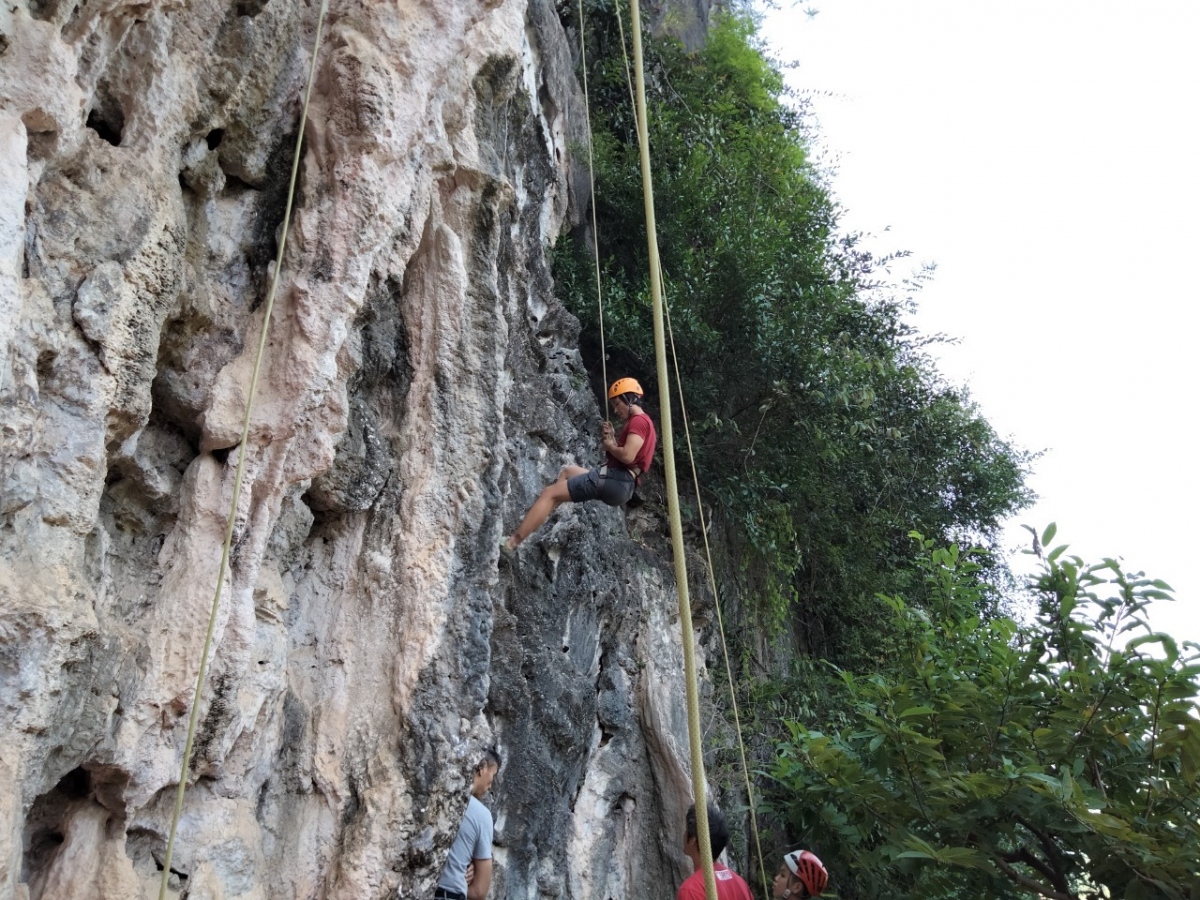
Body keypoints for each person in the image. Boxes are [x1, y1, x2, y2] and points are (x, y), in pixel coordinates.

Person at [504, 377, 656, 551]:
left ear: (629, 399)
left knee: (549, 493)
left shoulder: (639, 421)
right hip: (619, 482)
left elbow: (628, 456)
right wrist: (612, 439)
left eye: (616, 403)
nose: (615, 409)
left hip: (617, 480)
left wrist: (609, 446)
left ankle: (511, 544)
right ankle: (540, 517)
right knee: (568, 472)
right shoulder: (642, 423)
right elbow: (629, 456)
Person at [434, 749, 500, 900]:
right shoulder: (481, 815)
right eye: (493, 774)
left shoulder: (438, 797)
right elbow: (479, 891)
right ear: (482, 768)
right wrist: (460, 884)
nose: (491, 785)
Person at [677, 803, 753, 900]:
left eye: (686, 830)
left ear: (693, 840)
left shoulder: (691, 890)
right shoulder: (740, 884)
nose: (683, 835)